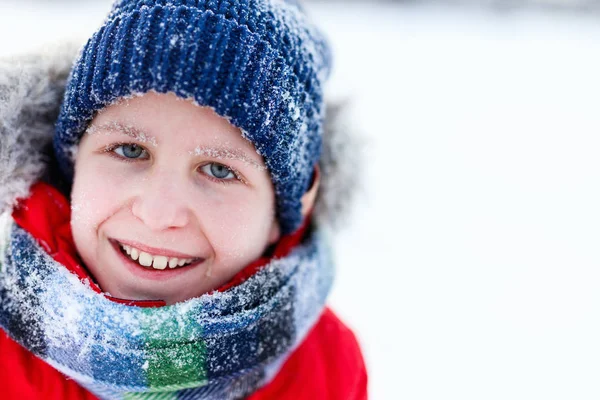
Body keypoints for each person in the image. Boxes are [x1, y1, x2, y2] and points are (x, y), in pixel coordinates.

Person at [0, 0, 367, 398]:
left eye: (220, 170)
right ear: (73, 164)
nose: (158, 215)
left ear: (287, 209)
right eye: (130, 151)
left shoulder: (328, 366)